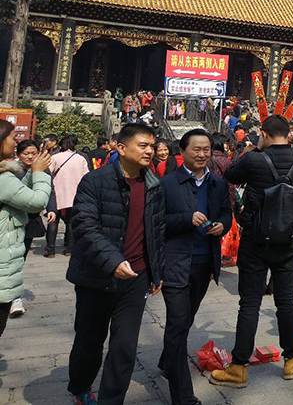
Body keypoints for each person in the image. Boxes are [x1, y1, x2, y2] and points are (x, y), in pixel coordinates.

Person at [66, 122, 166, 405]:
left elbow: (156, 230)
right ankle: (81, 387)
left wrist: (156, 270)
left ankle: (112, 400)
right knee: (89, 341)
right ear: (121, 148)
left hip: (136, 277)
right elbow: (84, 226)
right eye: (143, 146)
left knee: (125, 346)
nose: (150, 151)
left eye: (152, 145)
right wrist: (112, 262)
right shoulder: (95, 181)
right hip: (97, 276)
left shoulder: (153, 183)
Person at [211, 115, 293, 388]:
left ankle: (238, 367)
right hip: (289, 240)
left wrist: (254, 149)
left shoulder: (254, 160)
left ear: (265, 135)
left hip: (256, 239)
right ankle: (292, 359)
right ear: (289, 134)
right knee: (287, 301)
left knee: (250, 303)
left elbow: (230, 173)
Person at [159, 129, 233, 405]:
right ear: (182, 151)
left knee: (186, 319)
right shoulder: (167, 184)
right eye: (196, 149)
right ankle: (182, 395)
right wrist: (184, 219)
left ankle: (168, 361)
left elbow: (227, 212)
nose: (202, 154)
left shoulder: (217, 183)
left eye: (206, 150)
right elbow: (158, 222)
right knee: (178, 324)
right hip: (176, 262)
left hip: (204, 262)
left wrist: (222, 225)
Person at [0, 122, 52, 337]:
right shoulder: (3, 179)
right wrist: (40, 173)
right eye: (12, 138)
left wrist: (32, 172)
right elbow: (37, 201)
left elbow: (19, 193)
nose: (15, 143)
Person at [9, 139, 53, 318]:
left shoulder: (42, 169)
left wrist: (52, 209)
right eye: (26, 153)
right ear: (18, 154)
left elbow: (50, 190)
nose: (30, 156)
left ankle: (15, 297)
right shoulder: (10, 170)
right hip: (12, 220)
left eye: (33, 153)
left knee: (20, 258)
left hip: (30, 221)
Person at [45, 134, 90, 258]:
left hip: (56, 193)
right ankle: (69, 248)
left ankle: (50, 249)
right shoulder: (80, 159)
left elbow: (48, 174)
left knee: (53, 221)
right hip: (74, 194)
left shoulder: (55, 157)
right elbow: (86, 177)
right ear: (75, 145)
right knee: (70, 222)